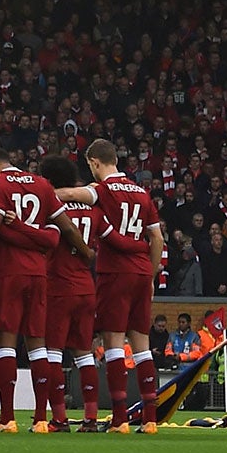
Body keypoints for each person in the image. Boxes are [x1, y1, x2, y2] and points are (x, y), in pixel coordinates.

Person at [0, 148, 68, 432]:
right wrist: (37, 237)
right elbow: (56, 234)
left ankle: (8, 418)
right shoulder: (42, 184)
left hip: (9, 271)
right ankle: (40, 419)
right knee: (37, 345)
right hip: (38, 273)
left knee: (6, 344)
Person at [67, 137, 166, 432]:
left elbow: (73, 194)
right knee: (142, 347)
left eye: (91, 166)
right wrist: (150, 276)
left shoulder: (102, 189)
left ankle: (120, 419)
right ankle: (150, 420)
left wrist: (47, 192)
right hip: (141, 272)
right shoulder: (141, 192)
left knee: (113, 346)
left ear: (95, 162)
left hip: (116, 273)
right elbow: (157, 239)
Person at [36, 156, 100, 431]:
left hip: (59, 287)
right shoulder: (92, 207)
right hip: (86, 286)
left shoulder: (52, 206)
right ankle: (91, 419)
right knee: (85, 355)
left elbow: (48, 241)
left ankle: (59, 418)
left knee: (53, 354)